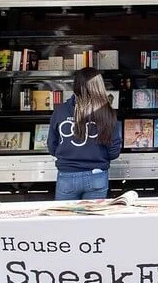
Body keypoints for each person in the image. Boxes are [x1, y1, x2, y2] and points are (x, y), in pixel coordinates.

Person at [48, 67, 122, 200]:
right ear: (99, 85)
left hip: (67, 175)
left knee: (64, 219)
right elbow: (114, 151)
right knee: (93, 220)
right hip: (97, 175)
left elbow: (52, 146)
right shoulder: (108, 113)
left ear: (76, 85)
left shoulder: (60, 111)